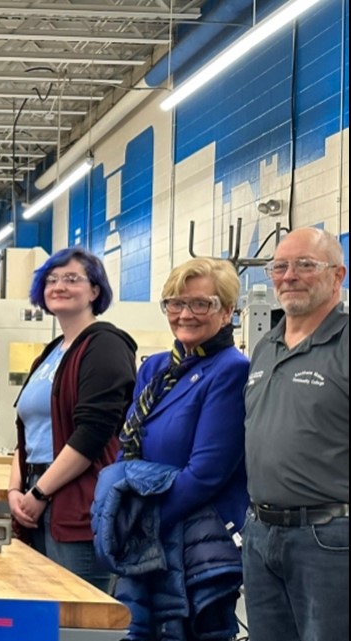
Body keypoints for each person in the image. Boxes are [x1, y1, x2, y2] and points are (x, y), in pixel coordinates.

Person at [99, 257, 249, 638]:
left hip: (198, 543)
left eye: (202, 304)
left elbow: (206, 473)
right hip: (153, 539)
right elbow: (128, 453)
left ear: (228, 310)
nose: (186, 314)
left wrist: (139, 523)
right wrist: (123, 506)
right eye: (175, 303)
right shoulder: (156, 370)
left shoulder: (231, 369)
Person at [7, 246, 136, 590]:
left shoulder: (105, 345)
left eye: (71, 278)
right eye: (51, 279)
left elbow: (91, 434)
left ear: (95, 290)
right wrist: (14, 490)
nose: (59, 286)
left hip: (78, 504)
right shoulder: (51, 353)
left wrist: (39, 493)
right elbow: (26, 431)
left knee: (75, 618)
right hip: (36, 496)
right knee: (42, 616)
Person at [243, 227, 348, 641]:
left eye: (306, 265)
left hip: (329, 540)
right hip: (260, 533)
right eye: (280, 266)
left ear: (338, 275)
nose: (289, 276)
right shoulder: (265, 347)